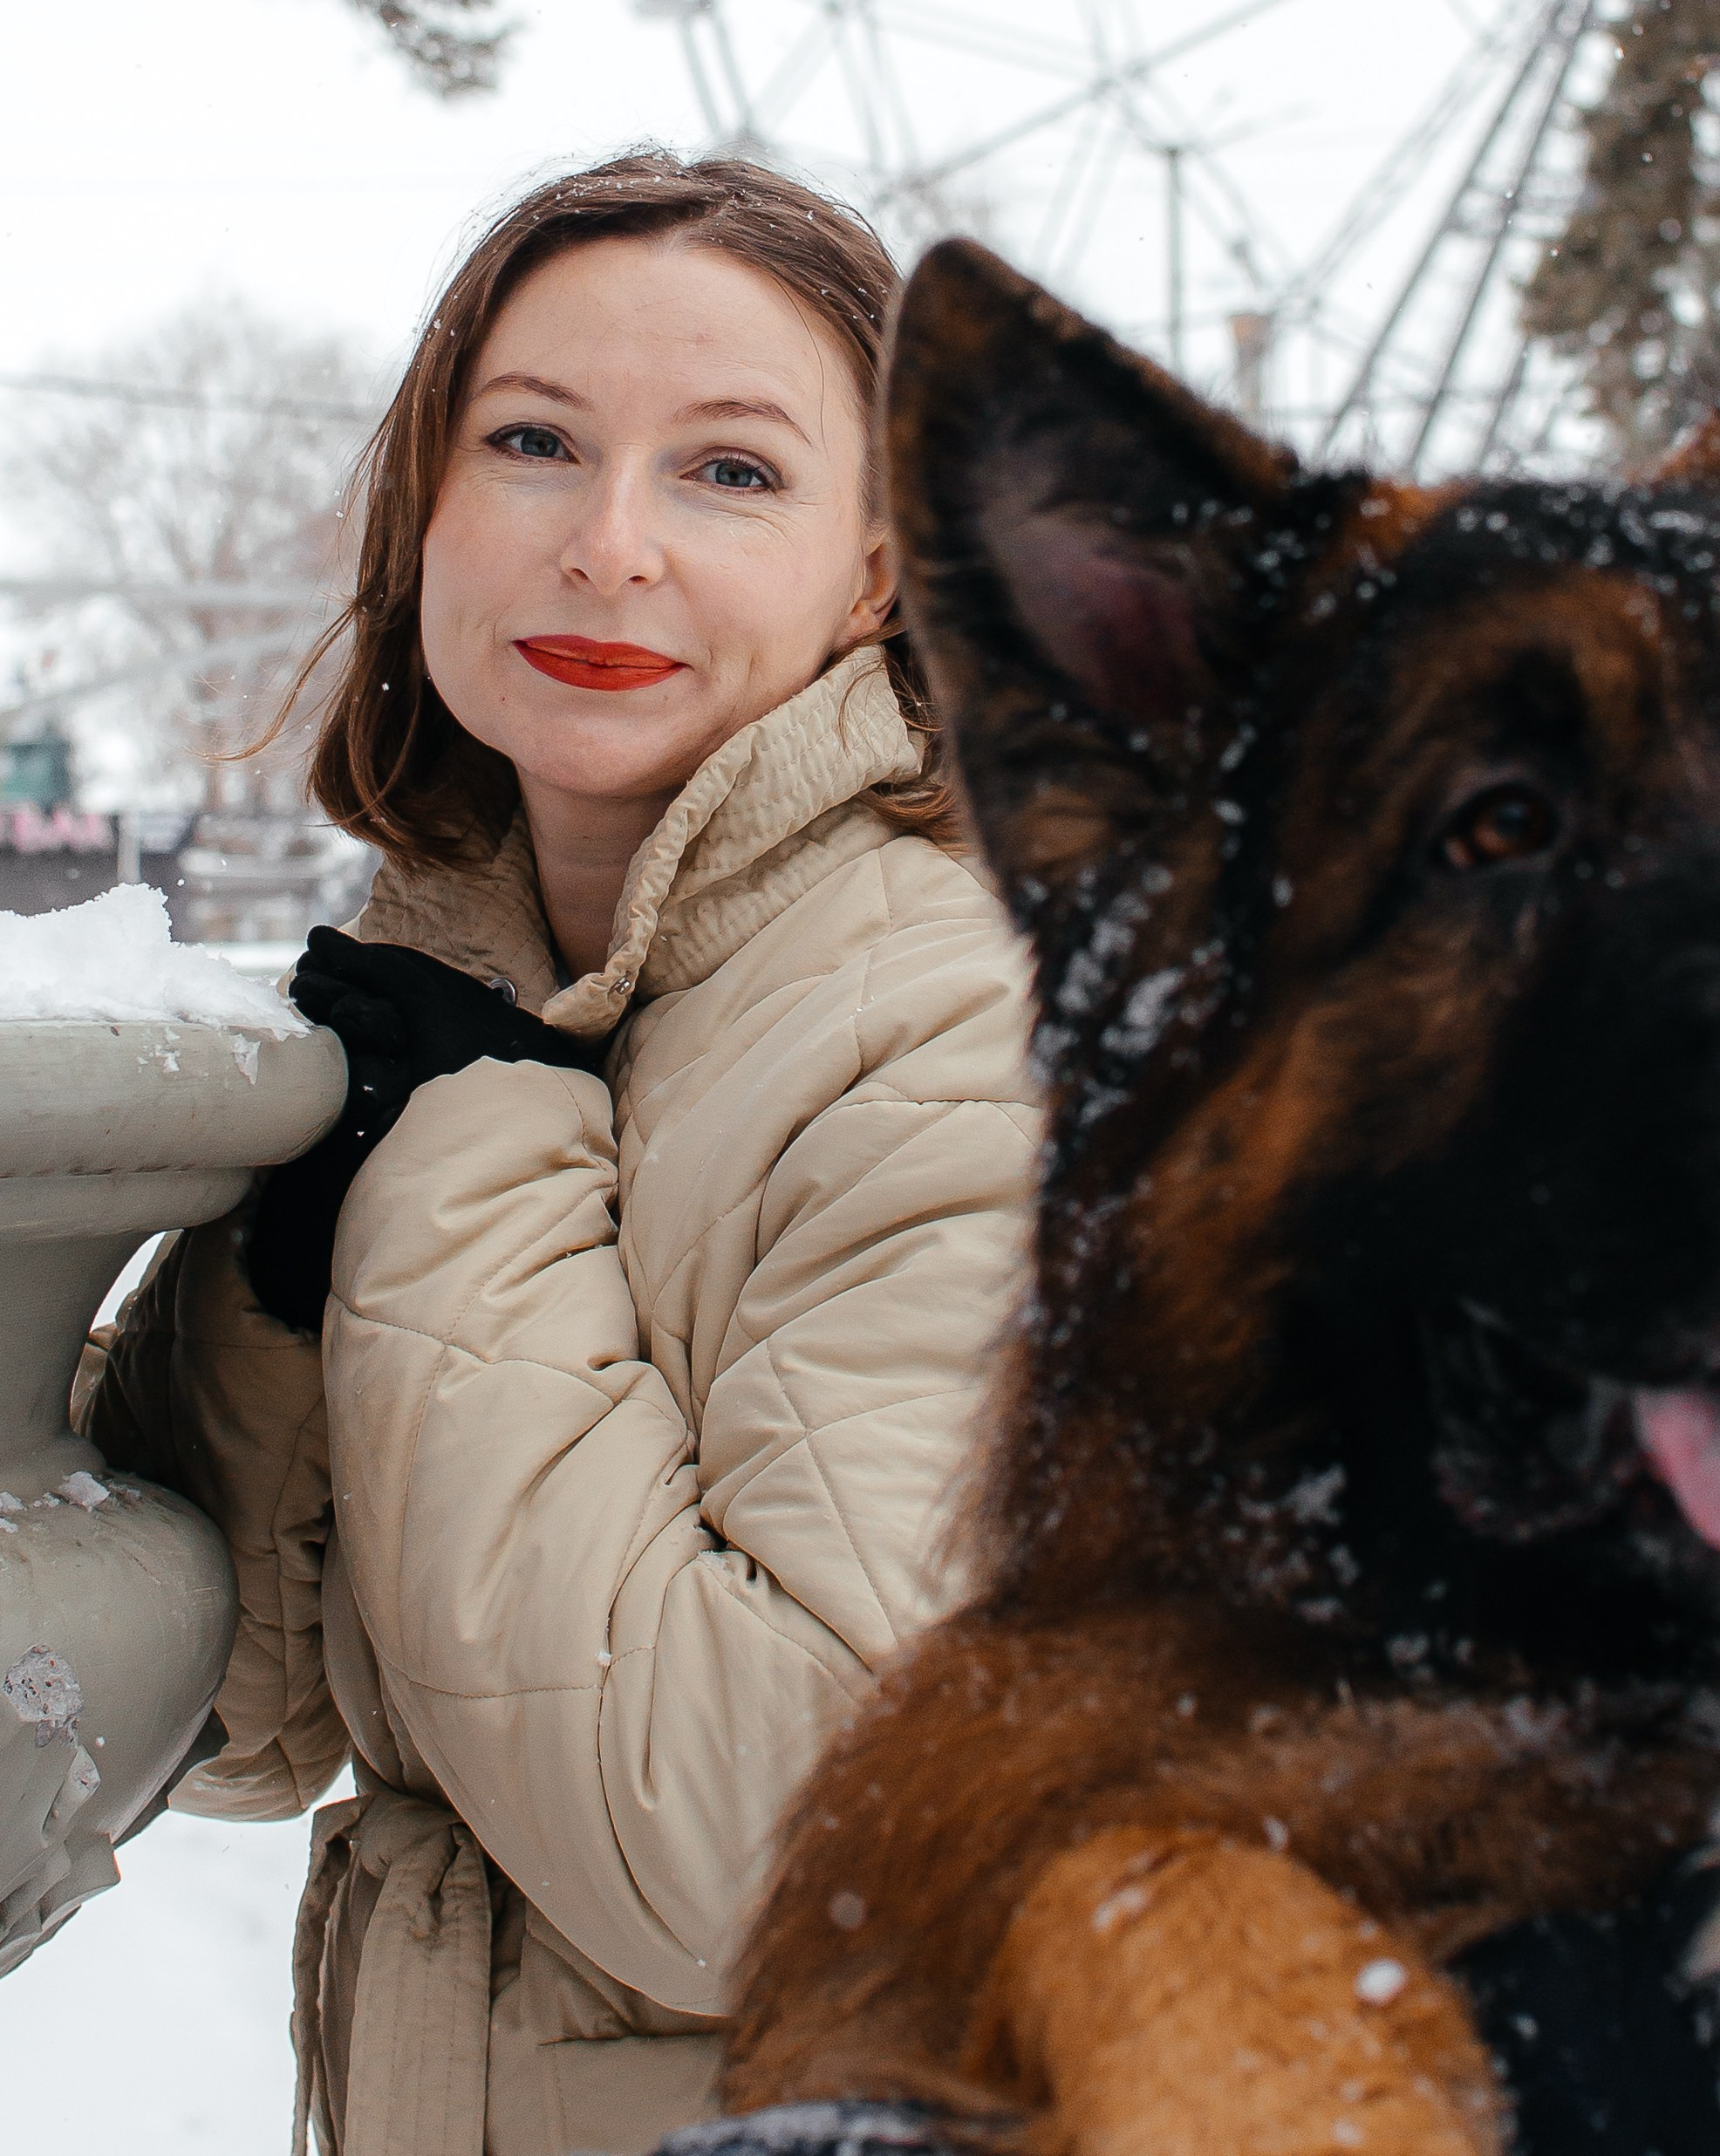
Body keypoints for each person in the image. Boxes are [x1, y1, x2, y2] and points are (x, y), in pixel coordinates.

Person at [78, 155, 1040, 2156]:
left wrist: (448, 1148)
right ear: (425, 506)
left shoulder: (959, 1025)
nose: (607, 545)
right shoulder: (465, 972)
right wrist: (281, 1265)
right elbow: (230, 1722)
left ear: (878, 568)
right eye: (532, 444)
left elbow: (777, 1862)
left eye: (731, 472)